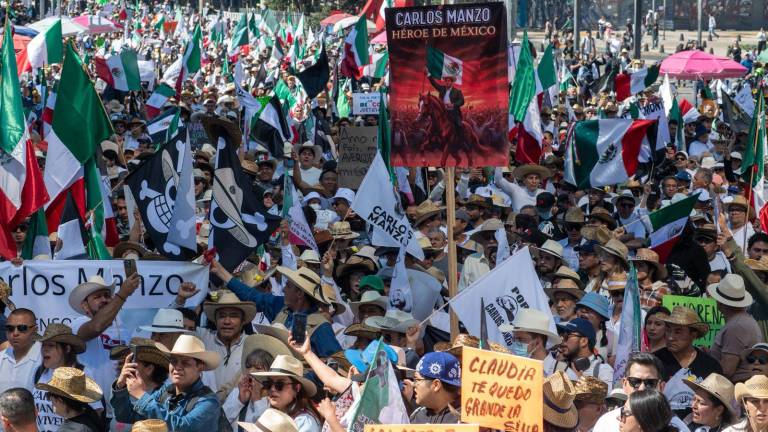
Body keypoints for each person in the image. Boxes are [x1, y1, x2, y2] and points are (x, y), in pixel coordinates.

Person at [211, 261, 342, 358]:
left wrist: (307, 378)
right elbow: (251, 295)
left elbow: (336, 363)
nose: (283, 289)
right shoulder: (280, 306)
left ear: (300, 294)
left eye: (288, 286)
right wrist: (221, 272)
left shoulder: (321, 327)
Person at [110, 334, 223, 431]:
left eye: (185, 363)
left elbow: (181, 427)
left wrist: (141, 396)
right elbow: (127, 417)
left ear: (200, 367)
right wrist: (120, 386)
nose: (177, 367)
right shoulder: (167, 391)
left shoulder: (209, 401)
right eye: (173, 361)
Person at [69, 274, 139, 419]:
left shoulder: (123, 329)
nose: (104, 300)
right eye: (97, 297)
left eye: (107, 296)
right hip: (91, 409)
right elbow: (96, 327)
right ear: (84, 305)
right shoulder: (78, 324)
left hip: (119, 410)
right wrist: (122, 294)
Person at [594, 352, 690, 431]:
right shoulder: (606, 423)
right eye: (635, 381)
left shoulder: (679, 428)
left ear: (661, 387)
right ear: (624, 384)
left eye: (650, 383)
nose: (642, 388)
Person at [656, 306, 722, 419]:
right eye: (668, 330)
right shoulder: (654, 361)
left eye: (678, 332)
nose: (671, 337)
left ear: (693, 335)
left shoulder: (710, 366)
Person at [221, 333, 291, 430]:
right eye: (249, 367)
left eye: (258, 368)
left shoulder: (275, 399)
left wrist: (257, 399)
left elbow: (264, 429)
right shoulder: (239, 392)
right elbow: (220, 422)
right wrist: (239, 401)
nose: (251, 372)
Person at [32, 324, 94, 432]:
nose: (44, 349)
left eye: (51, 345)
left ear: (67, 348)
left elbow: (96, 411)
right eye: (43, 345)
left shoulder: (82, 373)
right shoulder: (39, 372)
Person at [707, 274, 763, 382]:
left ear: (720, 302)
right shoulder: (742, 321)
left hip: (733, 390)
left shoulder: (736, 327)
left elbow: (727, 370)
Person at [251, 355, 322, 432]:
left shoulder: (304, 422)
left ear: (297, 388)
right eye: (269, 383)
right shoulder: (270, 413)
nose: (272, 388)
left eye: (280, 384)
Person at [110, 338, 171, 425]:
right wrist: (120, 387)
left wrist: (141, 395)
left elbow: (167, 423)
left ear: (149, 369)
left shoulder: (168, 395)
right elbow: (122, 417)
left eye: (131, 361)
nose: (125, 365)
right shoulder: (123, 390)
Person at [35, 367, 106, 432]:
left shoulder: (69, 429)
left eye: (50, 397)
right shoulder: (89, 418)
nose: (51, 402)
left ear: (60, 400)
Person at [556, 318, 614, 387]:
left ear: (583, 341)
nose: (562, 341)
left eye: (567, 336)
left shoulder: (603, 370)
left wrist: (582, 384)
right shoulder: (560, 366)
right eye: (561, 336)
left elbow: (607, 397)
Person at [0, 308, 42, 394]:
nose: (15, 333)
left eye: (22, 328)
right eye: (10, 328)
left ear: (35, 330)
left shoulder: (45, 359)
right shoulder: (1, 357)